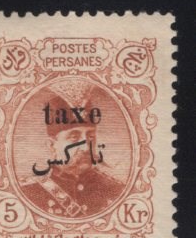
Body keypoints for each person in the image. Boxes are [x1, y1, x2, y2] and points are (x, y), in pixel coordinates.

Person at [20, 88, 125, 218]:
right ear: (52, 146)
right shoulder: (28, 192)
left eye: (91, 137)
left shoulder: (116, 190)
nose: (85, 148)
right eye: (74, 138)